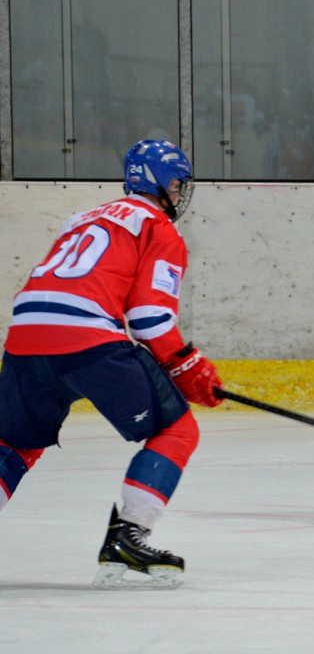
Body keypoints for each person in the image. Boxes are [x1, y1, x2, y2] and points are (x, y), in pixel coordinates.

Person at [0, 139, 223, 589]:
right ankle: (129, 537)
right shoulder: (158, 227)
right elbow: (149, 317)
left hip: (24, 336)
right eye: (177, 184)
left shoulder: (81, 218)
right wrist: (185, 364)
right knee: (178, 430)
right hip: (87, 339)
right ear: (161, 183)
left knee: (13, 446)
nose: (179, 193)